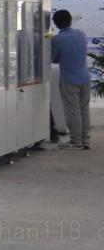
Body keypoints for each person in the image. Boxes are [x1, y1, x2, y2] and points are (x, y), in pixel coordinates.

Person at [51, 9, 91, 150]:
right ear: (70, 20)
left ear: (55, 23)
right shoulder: (81, 34)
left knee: (72, 110)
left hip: (69, 79)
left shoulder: (57, 39)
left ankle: (75, 141)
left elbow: (54, 59)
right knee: (84, 109)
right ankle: (85, 139)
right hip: (85, 77)